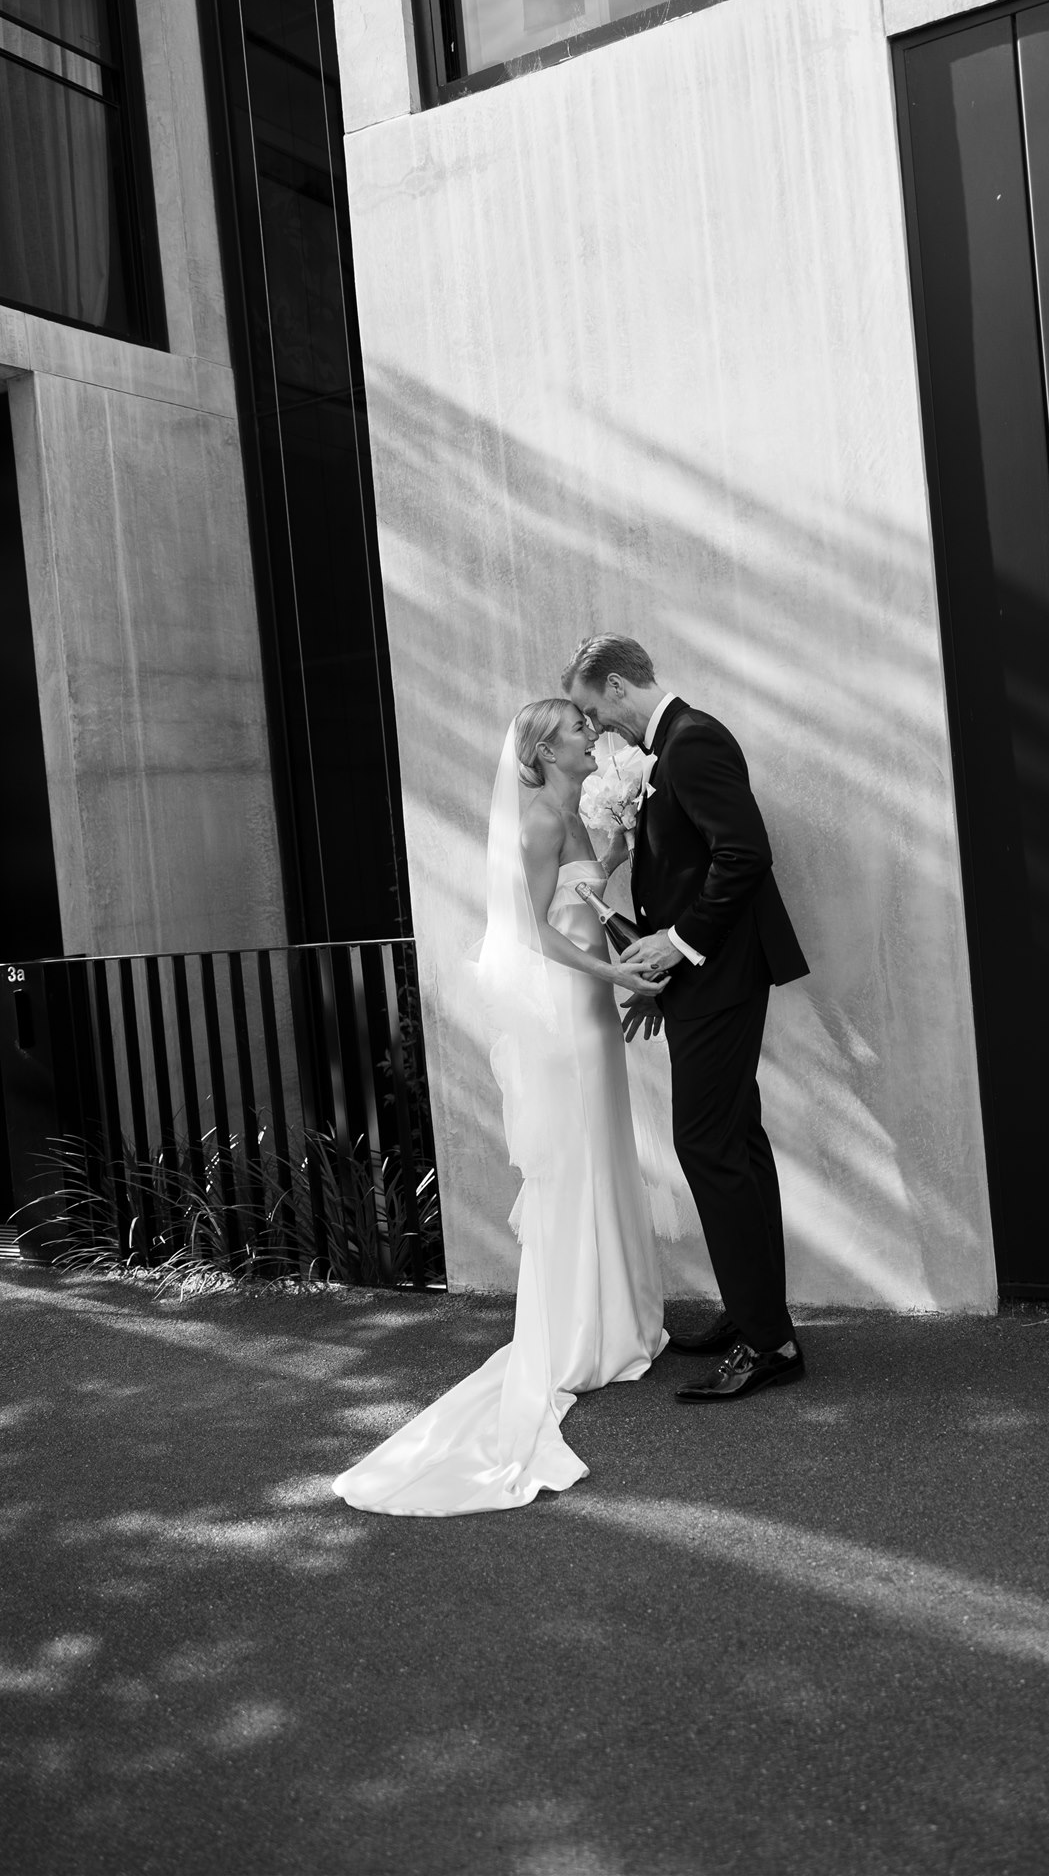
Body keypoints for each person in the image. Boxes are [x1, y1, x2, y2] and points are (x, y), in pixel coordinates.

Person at [334, 698, 671, 1516]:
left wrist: (620, 844)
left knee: (603, 1152)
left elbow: (582, 902)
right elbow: (533, 936)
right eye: (578, 731)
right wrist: (620, 978)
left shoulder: (575, 809)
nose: (594, 735)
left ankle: (619, 1320)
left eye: (591, 729)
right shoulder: (533, 823)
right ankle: (579, 1332)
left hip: (590, 1009)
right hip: (566, 1012)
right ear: (543, 750)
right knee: (576, 1158)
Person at [563, 634, 810, 1402]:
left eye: (590, 710)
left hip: (723, 973)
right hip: (706, 977)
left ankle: (768, 1344)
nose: (595, 728)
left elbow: (743, 854)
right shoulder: (667, 747)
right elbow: (689, 866)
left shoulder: (692, 741)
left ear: (614, 684)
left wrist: (676, 947)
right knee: (734, 1141)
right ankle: (756, 1316)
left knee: (707, 1144)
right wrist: (661, 973)